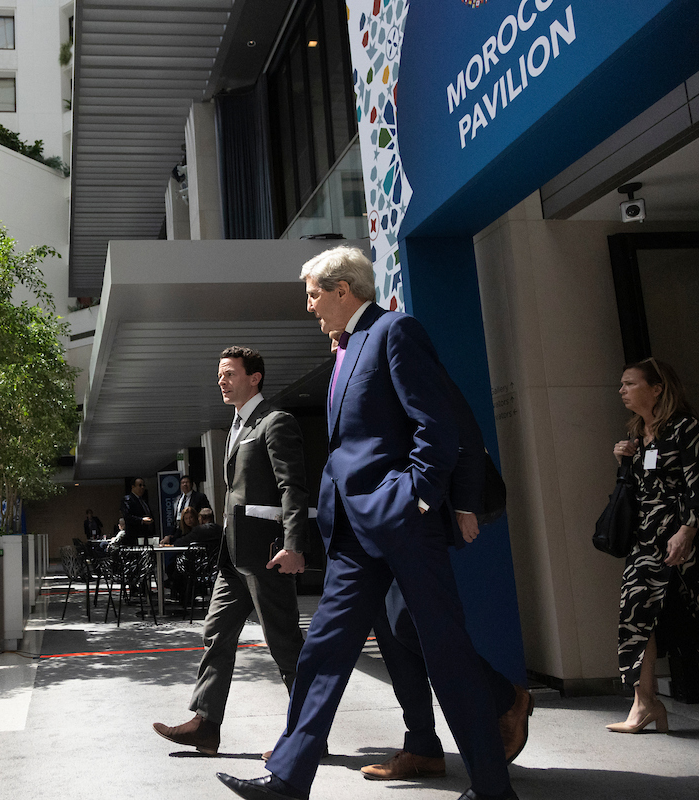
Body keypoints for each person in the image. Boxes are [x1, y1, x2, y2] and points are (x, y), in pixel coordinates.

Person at [217, 246, 514, 800]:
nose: (309, 307)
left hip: (401, 523)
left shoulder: (394, 333)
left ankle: (494, 789)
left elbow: (439, 423)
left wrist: (418, 501)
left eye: (312, 295)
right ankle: (287, 778)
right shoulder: (346, 347)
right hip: (354, 534)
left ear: (341, 290)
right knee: (323, 649)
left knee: (446, 654)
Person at [362, 372, 533, 781]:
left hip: (412, 517)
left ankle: (506, 698)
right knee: (388, 628)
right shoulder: (346, 365)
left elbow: (459, 429)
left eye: (316, 300)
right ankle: (421, 747)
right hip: (372, 521)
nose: (312, 307)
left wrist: (467, 502)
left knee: (411, 626)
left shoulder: (393, 345)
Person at [154, 346, 308, 756]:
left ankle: (307, 736)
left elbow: (293, 487)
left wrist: (294, 545)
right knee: (216, 635)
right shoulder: (237, 425)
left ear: (254, 377)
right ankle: (205, 725)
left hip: (266, 555)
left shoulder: (275, 422)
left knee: (284, 643)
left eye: (229, 374)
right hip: (233, 558)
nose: (221, 381)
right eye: (219, 375)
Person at [608, 358, 699, 733]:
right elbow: (642, 490)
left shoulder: (686, 429)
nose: (622, 390)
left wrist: (687, 530)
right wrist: (622, 463)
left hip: (690, 537)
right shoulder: (639, 434)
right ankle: (644, 702)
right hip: (649, 537)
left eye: (630, 383)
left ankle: (647, 704)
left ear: (657, 388)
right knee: (636, 610)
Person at [120, 478, 155, 544]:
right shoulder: (128, 499)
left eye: (143, 485)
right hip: (134, 536)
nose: (142, 487)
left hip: (146, 534)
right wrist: (141, 520)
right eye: (140, 485)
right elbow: (127, 516)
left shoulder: (143, 501)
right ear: (133, 487)